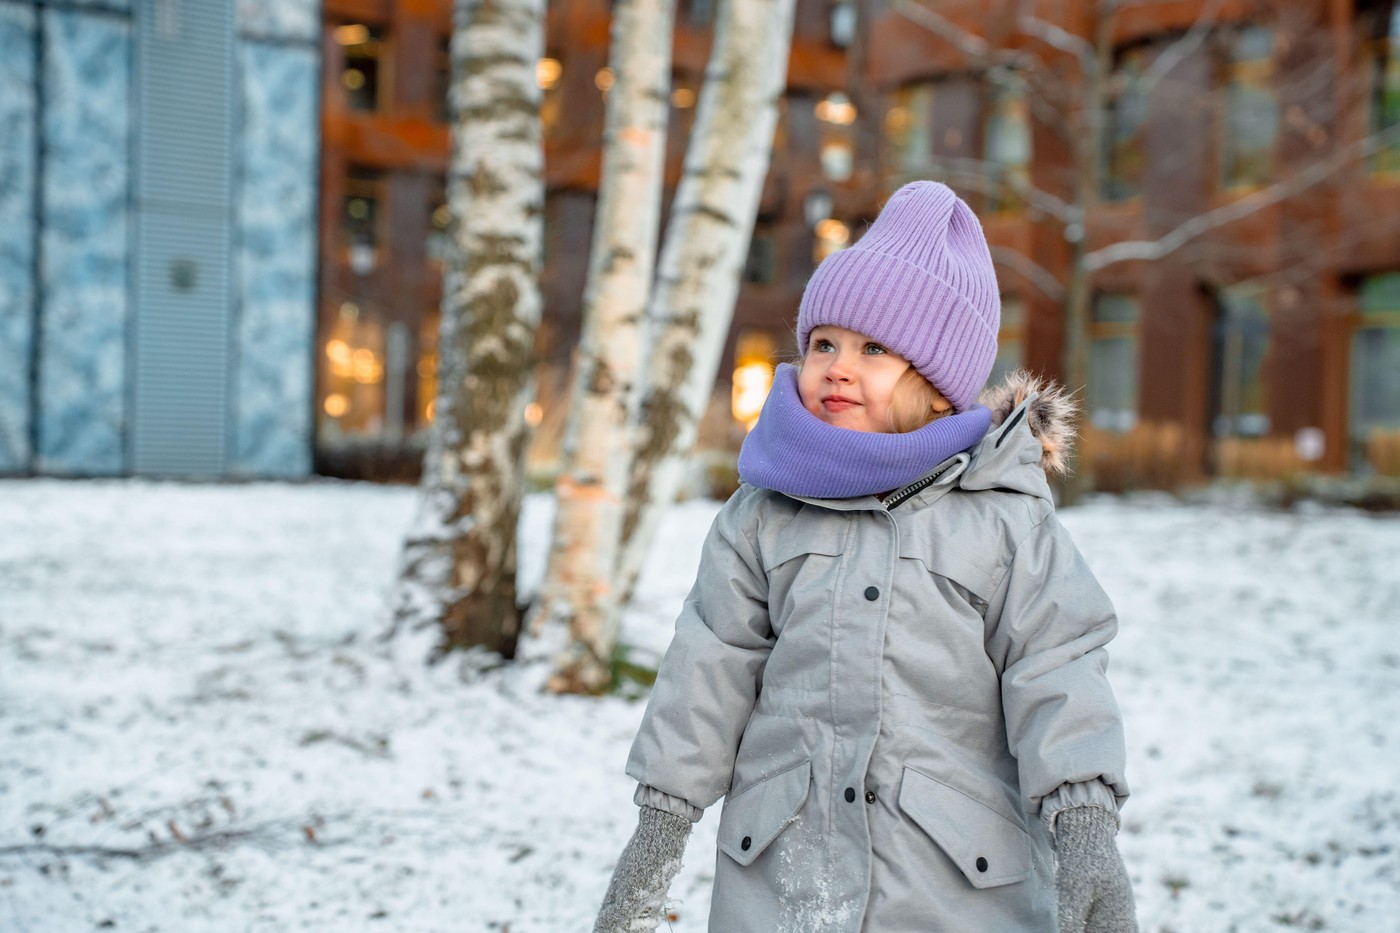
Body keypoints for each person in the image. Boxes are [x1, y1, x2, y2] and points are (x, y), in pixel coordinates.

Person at [594, 181, 1136, 933]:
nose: (838, 367)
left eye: (874, 349)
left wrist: (1084, 824)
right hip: (784, 877)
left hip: (954, 890)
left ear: (940, 389)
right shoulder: (763, 515)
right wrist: (661, 825)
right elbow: (708, 668)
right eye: (824, 343)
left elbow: (1059, 668)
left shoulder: (1003, 521)